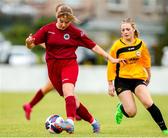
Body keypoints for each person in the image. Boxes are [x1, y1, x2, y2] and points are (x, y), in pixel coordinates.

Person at [25, 3, 119, 134]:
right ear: (56, 17)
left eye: (67, 22)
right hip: (53, 69)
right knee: (73, 101)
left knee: (68, 89)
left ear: (71, 20)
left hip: (69, 65)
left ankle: (70, 122)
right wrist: (28, 43)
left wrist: (109, 57)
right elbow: (31, 44)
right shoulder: (47, 29)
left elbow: (94, 46)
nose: (63, 24)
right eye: (61, 21)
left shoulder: (75, 32)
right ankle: (93, 122)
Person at [107, 18, 168, 135]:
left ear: (133, 30)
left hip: (138, 78)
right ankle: (121, 108)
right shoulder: (117, 46)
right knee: (131, 113)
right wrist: (110, 84)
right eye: (123, 30)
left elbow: (146, 60)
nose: (125, 32)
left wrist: (149, 75)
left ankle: (164, 129)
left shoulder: (141, 44)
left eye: (128, 29)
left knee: (148, 102)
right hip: (122, 81)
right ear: (121, 32)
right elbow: (111, 65)